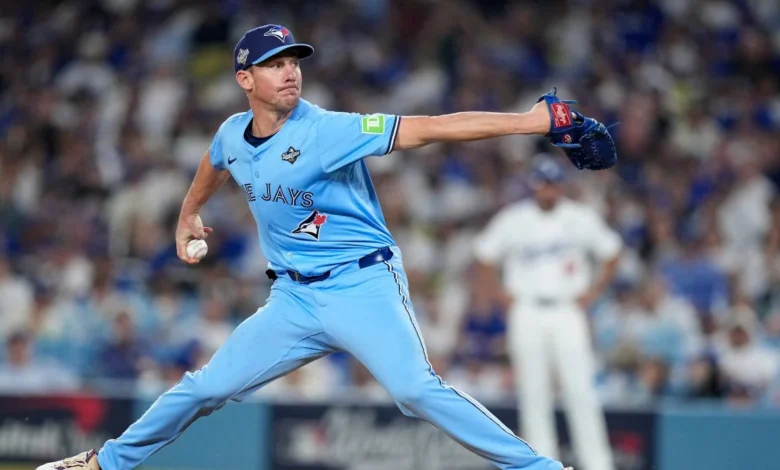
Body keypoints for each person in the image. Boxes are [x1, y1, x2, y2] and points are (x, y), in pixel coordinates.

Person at [40, 25, 574, 470]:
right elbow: (216, 161)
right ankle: (103, 464)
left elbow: (430, 128)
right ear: (245, 79)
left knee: (415, 391)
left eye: (294, 61)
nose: (290, 71)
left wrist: (530, 122)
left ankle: (541, 469)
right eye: (275, 64)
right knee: (204, 389)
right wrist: (189, 212)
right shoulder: (233, 133)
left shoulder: (326, 131)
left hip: (361, 283)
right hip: (293, 300)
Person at [473, 157, 621, 470]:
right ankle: (543, 464)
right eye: (543, 183)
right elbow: (484, 255)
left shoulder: (579, 217)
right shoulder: (514, 219)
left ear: (561, 186)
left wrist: (594, 291)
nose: (548, 189)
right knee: (533, 393)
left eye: (553, 183)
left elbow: (611, 251)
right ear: (534, 185)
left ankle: (598, 464)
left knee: (580, 390)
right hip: (526, 309)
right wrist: (500, 294)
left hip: (567, 309)